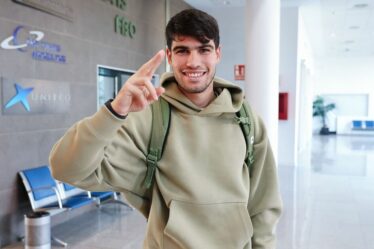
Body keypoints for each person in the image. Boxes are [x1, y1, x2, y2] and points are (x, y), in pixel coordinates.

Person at [50, 8, 282, 249]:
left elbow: (263, 205)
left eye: (204, 49)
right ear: (170, 57)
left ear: (217, 54)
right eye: (183, 51)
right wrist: (114, 111)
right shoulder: (148, 118)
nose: (193, 62)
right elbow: (66, 168)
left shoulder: (245, 119)